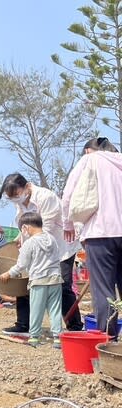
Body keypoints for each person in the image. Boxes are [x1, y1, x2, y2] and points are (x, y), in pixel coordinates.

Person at [0, 172, 82, 336]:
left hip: (61, 245)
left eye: (16, 194)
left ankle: (75, 327)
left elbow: (46, 229)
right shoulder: (21, 204)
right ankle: (24, 324)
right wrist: (19, 237)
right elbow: (26, 225)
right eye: (11, 198)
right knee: (25, 282)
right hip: (34, 246)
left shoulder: (45, 197)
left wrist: (29, 246)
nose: (15, 199)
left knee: (63, 284)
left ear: (26, 187)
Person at [62, 137, 122, 340]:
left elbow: (69, 194)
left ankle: (108, 338)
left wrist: (68, 224)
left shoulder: (90, 160)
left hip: (100, 232)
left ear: (89, 150)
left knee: (103, 289)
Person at [0, 212, 63, 348]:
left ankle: (34, 337)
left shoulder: (30, 243)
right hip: (55, 279)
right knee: (55, 310)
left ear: (26, 228)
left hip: (39, 280)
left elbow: (21, 265)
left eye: (22, 230)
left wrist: (8, 274)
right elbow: (58, 257)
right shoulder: (52, 239)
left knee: (36, 309)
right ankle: (58, 338)